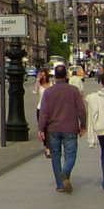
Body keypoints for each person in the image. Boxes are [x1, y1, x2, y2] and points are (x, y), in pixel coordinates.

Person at [37, 65, 87, 194]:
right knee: (71, 155)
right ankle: (65, 173)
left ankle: (60, 184)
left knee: (55, 156)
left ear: (55, 76)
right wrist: (83, 124)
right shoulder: (74, 91)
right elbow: (81, 109)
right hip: (70, 127)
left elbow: (44, 112)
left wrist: (41, 128)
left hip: (53, 128)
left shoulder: (48, 92)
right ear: (66, 75)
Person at [34, 67, 53, 157]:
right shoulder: (39, 84)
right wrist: (37, 80)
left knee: (49, 129)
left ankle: (48, 148)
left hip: (50, 110)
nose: (43, 77)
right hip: (40, 109)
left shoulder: (51, 84)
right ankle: (46, 146)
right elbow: (35, 91)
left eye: (44, 75)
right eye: (41, 75)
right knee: (43, 129)